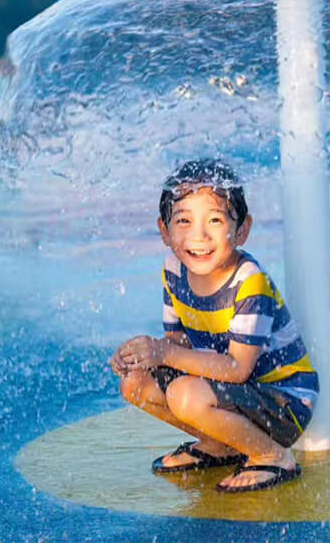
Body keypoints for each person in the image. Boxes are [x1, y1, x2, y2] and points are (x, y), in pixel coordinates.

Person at [110, 159, 318, 493]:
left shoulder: (250, 283)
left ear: (242, 230)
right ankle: (221, 443)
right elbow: (178, 347)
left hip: (284, 402)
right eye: (184, 221)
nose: (199, 236)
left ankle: (272, 455)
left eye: (215, 220)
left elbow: (237, 369)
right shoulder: (174, 270)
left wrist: (162, 352)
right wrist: (139, 357)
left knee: (184, 395)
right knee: (135, 383)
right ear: (164, 230)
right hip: (235, 396)